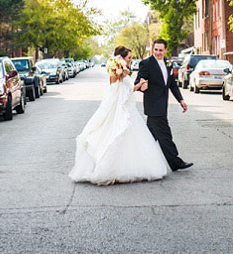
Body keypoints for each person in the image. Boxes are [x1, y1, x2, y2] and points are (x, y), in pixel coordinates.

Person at [69, 46, 170, 185]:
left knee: (131, 139)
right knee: (120, 136)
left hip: (128, 108)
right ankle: (115, 169)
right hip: (125, 110)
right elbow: (120, 91)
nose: (130, 60)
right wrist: (131, 79)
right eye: (129, 58)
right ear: (121, 59)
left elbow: (124, 90)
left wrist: (138, 84)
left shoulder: (120, 71)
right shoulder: (119, 71)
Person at [135, 38, 192, 171]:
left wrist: (181, 100)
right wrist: (142, 87)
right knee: (165, 136)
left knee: (149, 137)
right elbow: (139, 81)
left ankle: (136, 160)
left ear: (165, 50)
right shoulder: (146, 64)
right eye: (156, 50)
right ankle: (176, 163)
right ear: (152, 49)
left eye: (161, 50)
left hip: (162, 106)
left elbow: (172, 84)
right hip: (153, 107)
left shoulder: (168, 64)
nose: (158, 52)